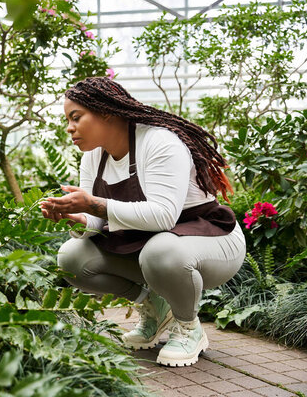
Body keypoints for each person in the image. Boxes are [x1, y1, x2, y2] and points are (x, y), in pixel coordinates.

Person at [39, 77, 246, 367]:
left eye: (76, 118)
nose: (69, 128)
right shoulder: (94, 156)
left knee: (160, 251)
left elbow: (164, 215)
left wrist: (94, 204)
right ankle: (157, 307)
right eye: (67, 120)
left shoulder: (159, 142)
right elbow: (97, 221)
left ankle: (188, 327)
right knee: (71, 256)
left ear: (106, 111)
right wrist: (76, 218)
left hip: (211, 241)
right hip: (147, 243)